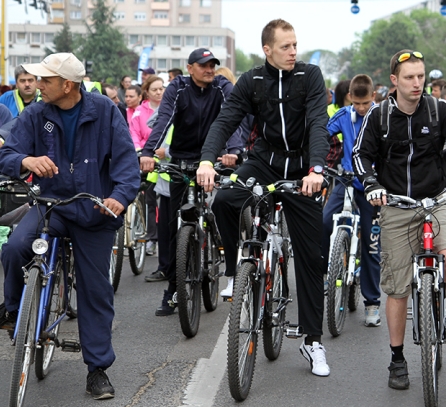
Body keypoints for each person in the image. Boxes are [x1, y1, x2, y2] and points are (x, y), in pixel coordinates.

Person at [0, 53, 140, 399]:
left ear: (67, 84)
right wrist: (25, 159)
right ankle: (12, 308)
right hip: (50, 206)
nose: (38, 86)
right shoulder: (36, 112)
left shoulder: (104, 110)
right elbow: (8, 155)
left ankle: (97, 369)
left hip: (94, 211)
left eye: (45, 80)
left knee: (96, 292)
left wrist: (120, 198)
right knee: (15, 247)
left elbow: (127, 163)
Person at [196, 19, 331, 376]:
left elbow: (319, 122)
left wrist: (316, 169)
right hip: (264, 162)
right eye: (285, 46)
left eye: (295, 45)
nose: (293, 52)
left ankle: (312, 340)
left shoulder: (310, 76)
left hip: (303, 171)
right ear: (267, 50)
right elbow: (225, 121)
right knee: (224, 200)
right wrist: (207, 159)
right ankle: (232, 272)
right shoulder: (252, 80)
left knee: (310, 257)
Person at [352, 49, 446, 390]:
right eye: (410, 78)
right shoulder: (379, 115)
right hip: (397, 206)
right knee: (398, 289)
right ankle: (397, 359)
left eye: (421, 77)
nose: (417, 83)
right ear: (395, 81)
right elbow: (360, 154)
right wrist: (371, 184)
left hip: (437, 201)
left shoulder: (439, 109)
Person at [139, 48, 242, 316]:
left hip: (214, 159)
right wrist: (149, 152)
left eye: (213, 65)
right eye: (204, 65)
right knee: (176, 227)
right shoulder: (178, 87)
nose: (210, 70)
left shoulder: (222, 87)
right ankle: (173, 289)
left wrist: (234, 151)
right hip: (182, 161)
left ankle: (217, 249)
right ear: (190, 68)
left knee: (219, 207)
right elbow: (164, 120)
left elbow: (231, 120)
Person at [322, 74, 382, 327]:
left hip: (372, 186)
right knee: (325, 222)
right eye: (356, 104)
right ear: (350, 99)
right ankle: (332, 269)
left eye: (365, 103)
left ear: (373, 97)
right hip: (346, 180)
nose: (360, 108)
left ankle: (372, 303)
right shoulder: (344, 115)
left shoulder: (382, 115)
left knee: (371, 244)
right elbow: (324, 134)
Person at [131, 75, 164, 256]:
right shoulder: (139, 112)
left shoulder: (170, 108)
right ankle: (152, 238)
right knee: (150, 201)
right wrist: (140, 150)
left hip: (166, 160)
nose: (159, 92)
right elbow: (134, 132)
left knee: (166, 204)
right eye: (155, 89)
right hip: (147, 159)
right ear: (147, 92)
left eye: (161, 88)